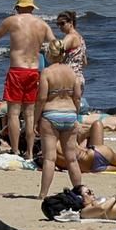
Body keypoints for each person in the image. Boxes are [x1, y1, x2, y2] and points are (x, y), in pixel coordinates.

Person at [0, 0, 52, 160]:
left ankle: (16, 150)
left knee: (14, 114)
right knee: (30, 114)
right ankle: (30, 152)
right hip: (34, 71)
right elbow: (55, 46)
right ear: (32, 7)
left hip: (17, 71)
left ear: (18, 7)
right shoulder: (42, 24)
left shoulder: (11, 21)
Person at [37, 59, 86, 199]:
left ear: (49, 55)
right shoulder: (72, 72)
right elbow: (77, 97)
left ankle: (43, 193)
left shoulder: (47, 72)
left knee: (49, 159)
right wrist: (75, 115)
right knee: (71, 159)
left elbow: (41, 98)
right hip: (69, 114)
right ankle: (79, 192)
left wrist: (35, 119)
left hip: (51, 113)